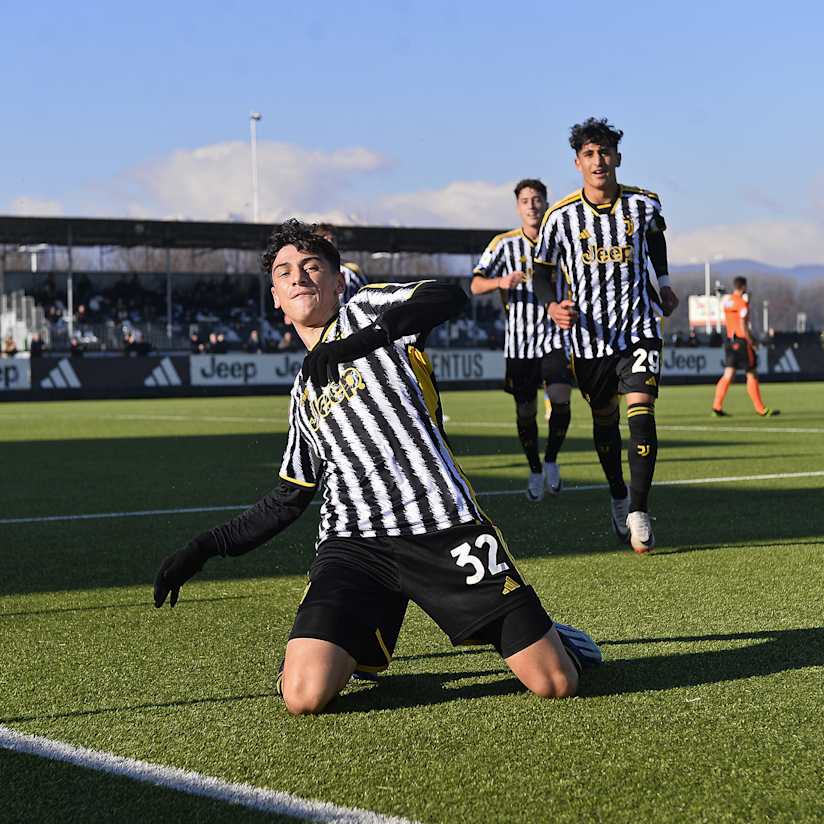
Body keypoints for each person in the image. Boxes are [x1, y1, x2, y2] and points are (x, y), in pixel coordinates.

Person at [154, 219, 601, 715]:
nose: (299, 277)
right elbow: (287, 499)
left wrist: (361, 342)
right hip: (355, 547)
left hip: (441, 527)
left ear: (337, 280)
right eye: (285, 273)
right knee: (303, 696)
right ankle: (352, 637)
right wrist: (203, 548)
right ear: (277, 300)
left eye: (311, 267)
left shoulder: (366, 310)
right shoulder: (302, 395)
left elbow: (448, 295)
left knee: (555, 683)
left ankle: (553, 636)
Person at [534, 118, 680, 554]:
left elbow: (655, 242)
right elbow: (541, 271)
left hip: (639, 328)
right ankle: (618, 492)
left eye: (605, 152)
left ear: (617, 156)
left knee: (642, 409)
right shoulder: (560, 217)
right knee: (604, 419)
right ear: (577, 162)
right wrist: (551, 305)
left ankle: (638, 509)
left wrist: (665, 282)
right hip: (589, 339)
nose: (598, 161)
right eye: (589, 154)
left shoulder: (643, 205)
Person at [471, 179, 574, 502]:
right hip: (519, 342)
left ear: (545, 203)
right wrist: (501, 280)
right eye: (525, 200)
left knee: (561, 398)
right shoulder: (503, 244)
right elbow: (475, 284)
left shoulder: (560, 239)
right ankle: (534, 469)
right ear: (518, 207)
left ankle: (552, 460)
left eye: (537, 199)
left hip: (555, 336)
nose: (532, 205)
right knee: (525, 409)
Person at [712, 277, 778, 417]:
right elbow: (743, 325)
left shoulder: (727, 301)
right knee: (752, 373)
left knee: (728, 374)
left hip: (729, 340)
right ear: (744, 287)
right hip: (741, 341)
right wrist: (752, 340)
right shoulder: (741, 303)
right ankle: (760, 408)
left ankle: (716, 406)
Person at [314, 223, 369, 303]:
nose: (329, 242)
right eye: (324, 239)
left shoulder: (351, 270)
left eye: (332, 239)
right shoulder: (306, 272)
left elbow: (365, 296)